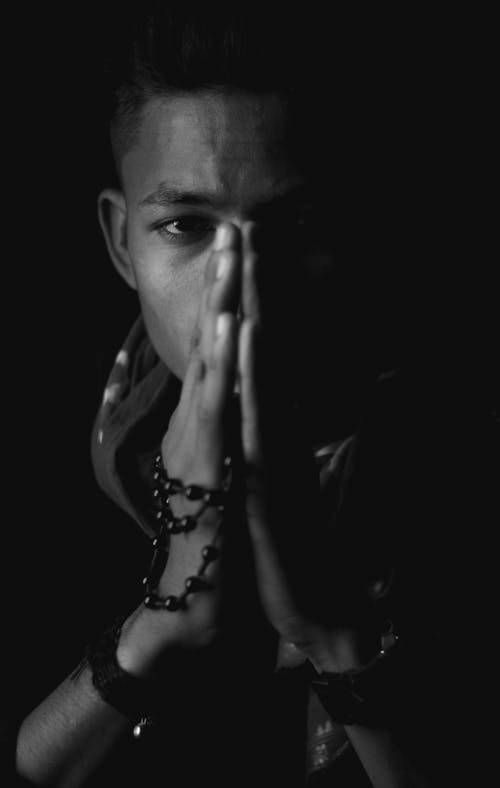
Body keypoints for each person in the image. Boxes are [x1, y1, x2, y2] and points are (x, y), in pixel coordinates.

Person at [8, 6, 498, 787]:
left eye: (295, 224)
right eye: (185, 226)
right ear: (119, 241)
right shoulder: (68, 459)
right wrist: (164, 616)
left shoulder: (463, 459)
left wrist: (333, 631)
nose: (239, 297)